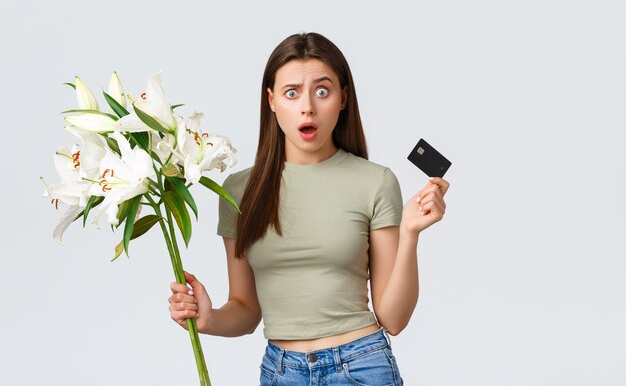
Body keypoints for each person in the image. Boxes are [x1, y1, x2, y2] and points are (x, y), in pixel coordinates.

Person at [168, 32, 450, 386]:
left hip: (361, 365)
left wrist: (410, 233)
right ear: (271, 100)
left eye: (322, 91)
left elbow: (393, 319)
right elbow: (247, 310)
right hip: (281, 371)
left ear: (343, 98)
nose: (307, 107)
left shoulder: (375, 181)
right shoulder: (240, 191)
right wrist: (209, 319)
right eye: (291, 93)